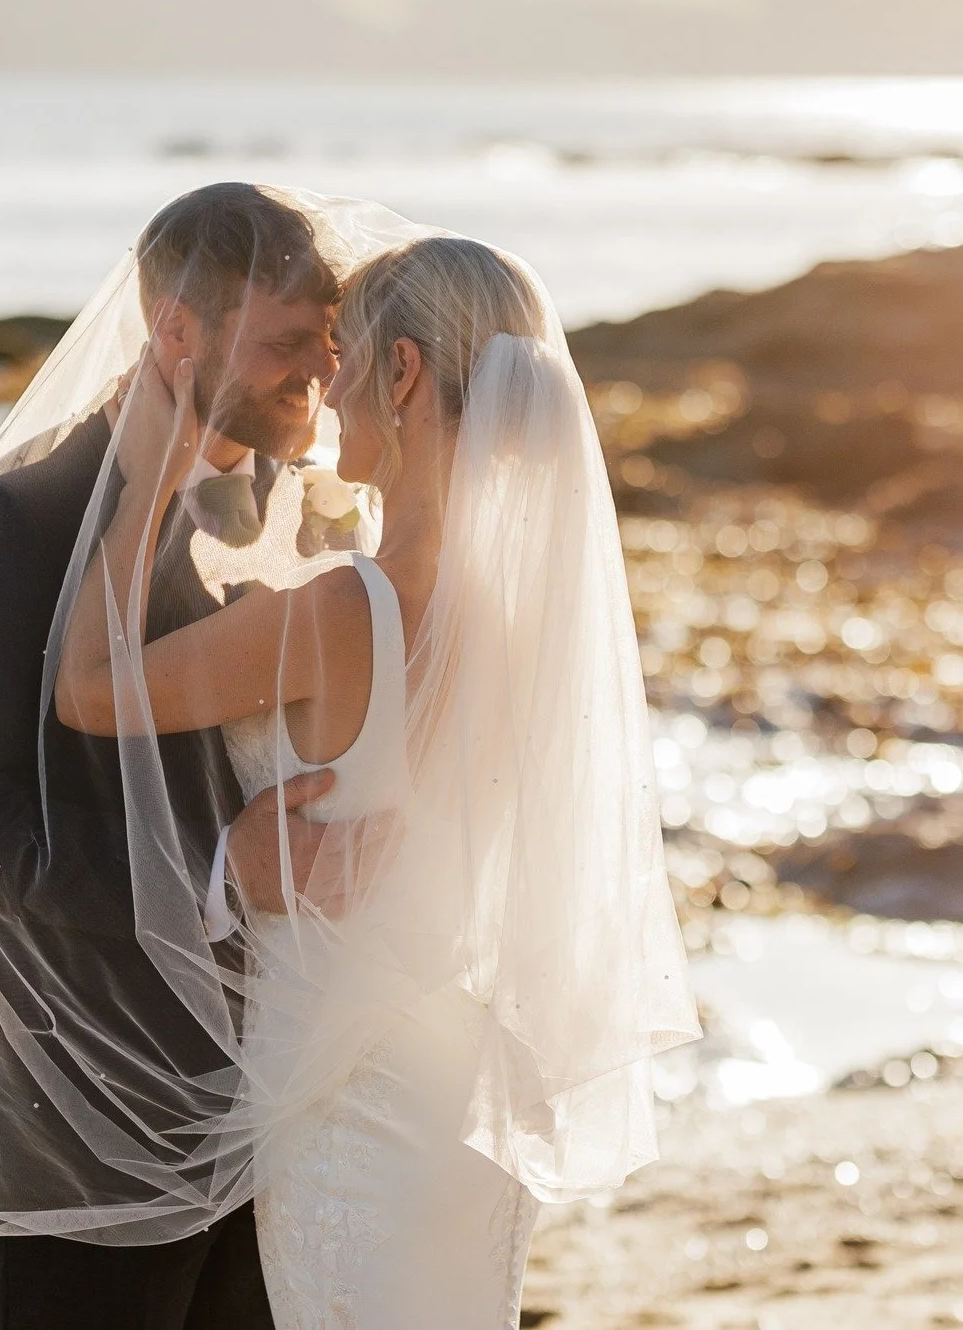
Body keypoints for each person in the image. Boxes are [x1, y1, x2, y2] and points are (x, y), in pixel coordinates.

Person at [56, 234, 700, 1328]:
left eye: (340, 356)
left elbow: (85, 686)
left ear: (400, 372)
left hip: (348, 1101)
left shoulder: (342, 614)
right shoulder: (520, 613)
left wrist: (153, 468)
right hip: (462, 1082)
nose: (322, 387)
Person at [0, 183, 386, 1329]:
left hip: (275, 1099)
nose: (314, 377)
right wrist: (220, 874)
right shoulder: (5, 522)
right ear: (175, 331)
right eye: (282, 345)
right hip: (78, 1117)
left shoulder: (300, 514)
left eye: (324, 349)